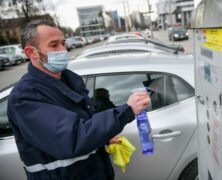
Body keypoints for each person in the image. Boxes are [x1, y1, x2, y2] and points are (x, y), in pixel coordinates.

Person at [7, 19, 150, 180]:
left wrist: (103, 139)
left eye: (63, 43)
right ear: (32, 52)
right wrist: (127, 110)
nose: (63, 50)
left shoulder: (69, 81)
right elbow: (72, 138)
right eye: (54, 45)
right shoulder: (25, 97)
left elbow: (85, 122)